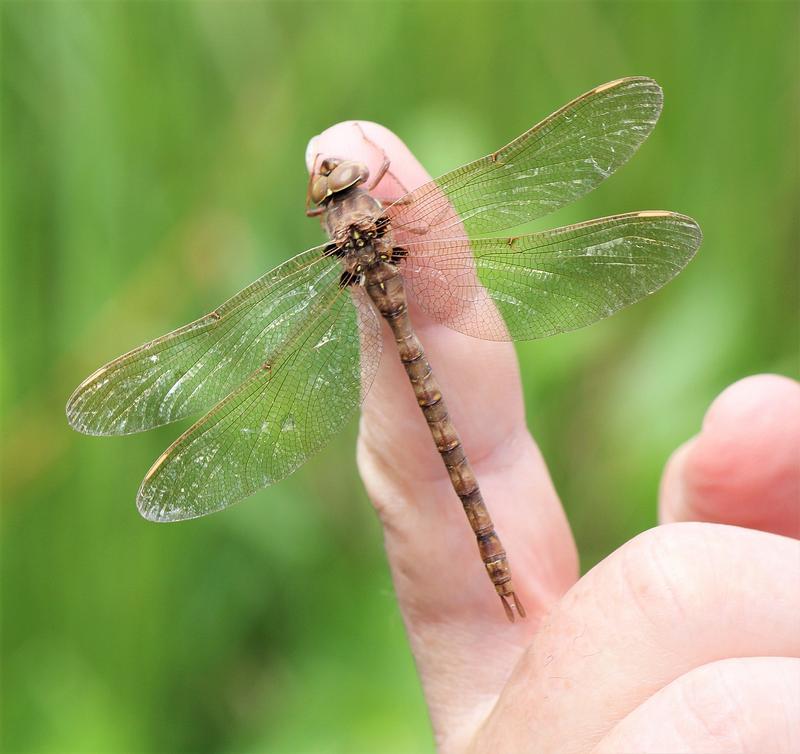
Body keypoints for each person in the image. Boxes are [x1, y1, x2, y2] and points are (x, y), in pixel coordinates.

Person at [307, 122, 800, 754]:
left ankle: (500, 571)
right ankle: (499, 569)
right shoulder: (396, 216)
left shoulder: (347, 246)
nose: (331, 177)